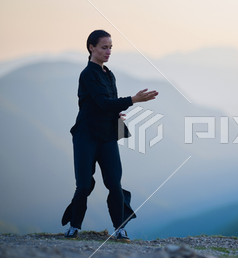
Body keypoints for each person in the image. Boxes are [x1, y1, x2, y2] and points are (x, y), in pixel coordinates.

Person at [61, 30, 158, 242]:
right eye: (104, 47)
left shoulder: (109, 74)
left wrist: (117, 115)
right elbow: (103, 102)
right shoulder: (87, 74)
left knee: (114, 183)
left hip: (107, 135)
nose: (108, 51)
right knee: (84, 185)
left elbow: (107, 104)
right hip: (86, 135)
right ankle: (74, 226)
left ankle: (120, 228)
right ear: (91, 48)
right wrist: (134, 99)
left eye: (111, 47)